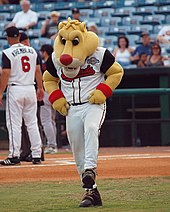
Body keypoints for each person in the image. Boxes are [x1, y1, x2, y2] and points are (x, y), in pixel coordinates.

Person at [43, 18, 123, 207]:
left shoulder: (99, 54)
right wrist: (56, 97)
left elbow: (116, 72)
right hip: (72, 108)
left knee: (91, 128)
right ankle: (91, 191)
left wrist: (103, 90)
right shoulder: (56, 57)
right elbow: (48, 78)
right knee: (77, 149)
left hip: (92, 103)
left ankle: (90, 170)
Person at [0, 26, 44, 165]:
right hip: (30, 88)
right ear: (19, 36)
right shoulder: (32, 51)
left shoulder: (7, 52)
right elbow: (38, 70)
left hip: (16, 88)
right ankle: (37, 154)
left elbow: (5, 73)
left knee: (14, 124)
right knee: (32, 123)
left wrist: (0, 92)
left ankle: (14, 155)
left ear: (8, 37)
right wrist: (40, 87)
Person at [19, 31, 45, 162]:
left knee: (32, 122)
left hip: (31, 89)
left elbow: (38, 70)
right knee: (27, 123)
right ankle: (26, 150)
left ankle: (38, 150)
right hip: (32, 89)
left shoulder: (31, 52)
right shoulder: (33, 51)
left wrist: (40, 88)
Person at [40, 44, 58, 154]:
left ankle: (52, 145)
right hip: (55, 92)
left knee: (46, 120)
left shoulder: (44, 64)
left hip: (46, 92)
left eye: (42, 52)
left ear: (45, 52)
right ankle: (53, 144)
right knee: (51, 121)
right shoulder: (55, 62)